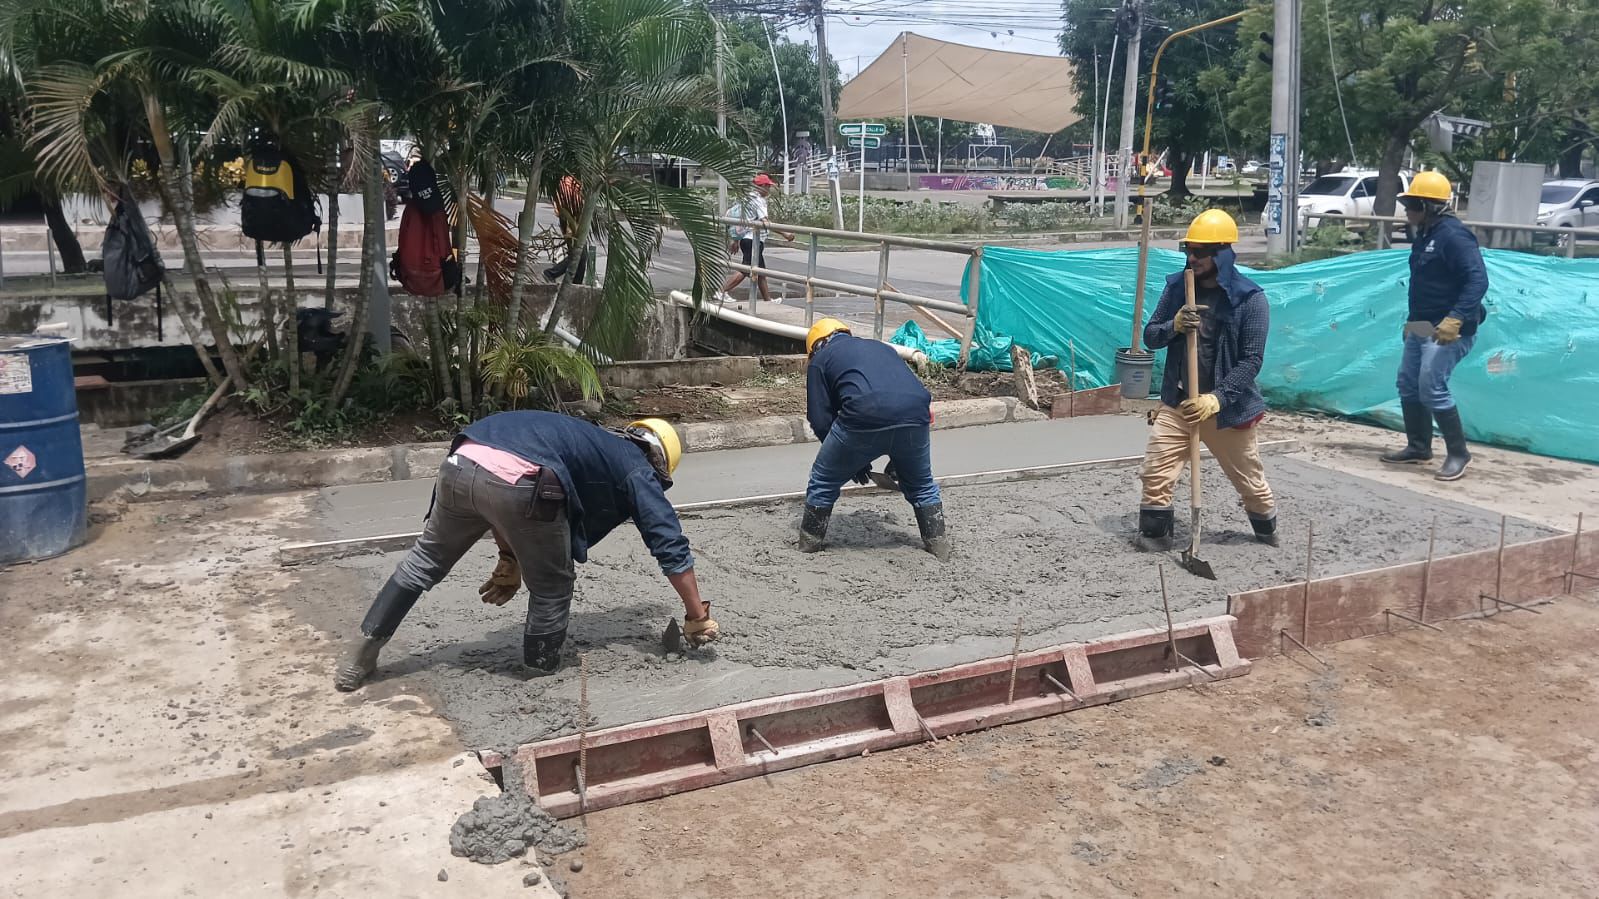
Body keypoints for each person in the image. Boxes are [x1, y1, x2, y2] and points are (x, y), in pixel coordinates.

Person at [334, 414, 718, 692]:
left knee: (423, 562)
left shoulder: (589, 441)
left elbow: (500, 492)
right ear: (659, 462)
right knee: (552, 585)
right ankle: (540, 673)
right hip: (520, 480)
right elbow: (669, 543)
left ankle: (362, 656)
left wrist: (510, 557)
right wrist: (696, 614)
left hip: (461, 459)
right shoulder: (637, 470)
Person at [1137, 209, 1278, 547]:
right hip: (1179, 401)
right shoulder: (1177, 289)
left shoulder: (1250, 300)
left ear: (1223, 253)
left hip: (1226, 409)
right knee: (1156, 471)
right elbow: (1151, 337)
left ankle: (1265, 530)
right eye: (1188, 249)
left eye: (1201, 251)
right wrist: (1175, 326)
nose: (1192, 257)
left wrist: (1217, 398)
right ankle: (1155, 535)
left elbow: (1252, 360)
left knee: (1249, 482)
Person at [798, 318, 951, 561]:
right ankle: (940, 548)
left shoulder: (820, 360)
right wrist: (900, 457)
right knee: (922, 486)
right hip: (916, 413)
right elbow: (899, 393)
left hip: (863, 414)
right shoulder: (881, 347)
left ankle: (809, 545)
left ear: (815, 346)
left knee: (823, 480)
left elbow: (819, 418)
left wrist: (848, 459)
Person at [1379, 171, 1487, 481]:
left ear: (1430, 206)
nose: (1407, 210)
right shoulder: (1426, 234)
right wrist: (1413, 322)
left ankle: (1458, 453)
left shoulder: (1454, 236)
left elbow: (1477, 279)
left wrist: (1456, 318)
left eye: (1412, 203)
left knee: (1431, 386)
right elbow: (1426, 284)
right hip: (1423, 324)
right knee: (1408, 382)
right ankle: (1418, 447)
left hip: (1449, 327)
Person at [720, 173, 794, 303]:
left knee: (760, 273)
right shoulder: (759, 201)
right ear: (763, 186)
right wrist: (785, 234)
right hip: (753, 240)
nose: (769, 190)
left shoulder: (746, 198)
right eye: (768, 187)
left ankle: (768, 300)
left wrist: (736, 239)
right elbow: (765, 222)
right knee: (746, 269)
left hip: (746, 239)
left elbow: (740, 219)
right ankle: (721, 291)